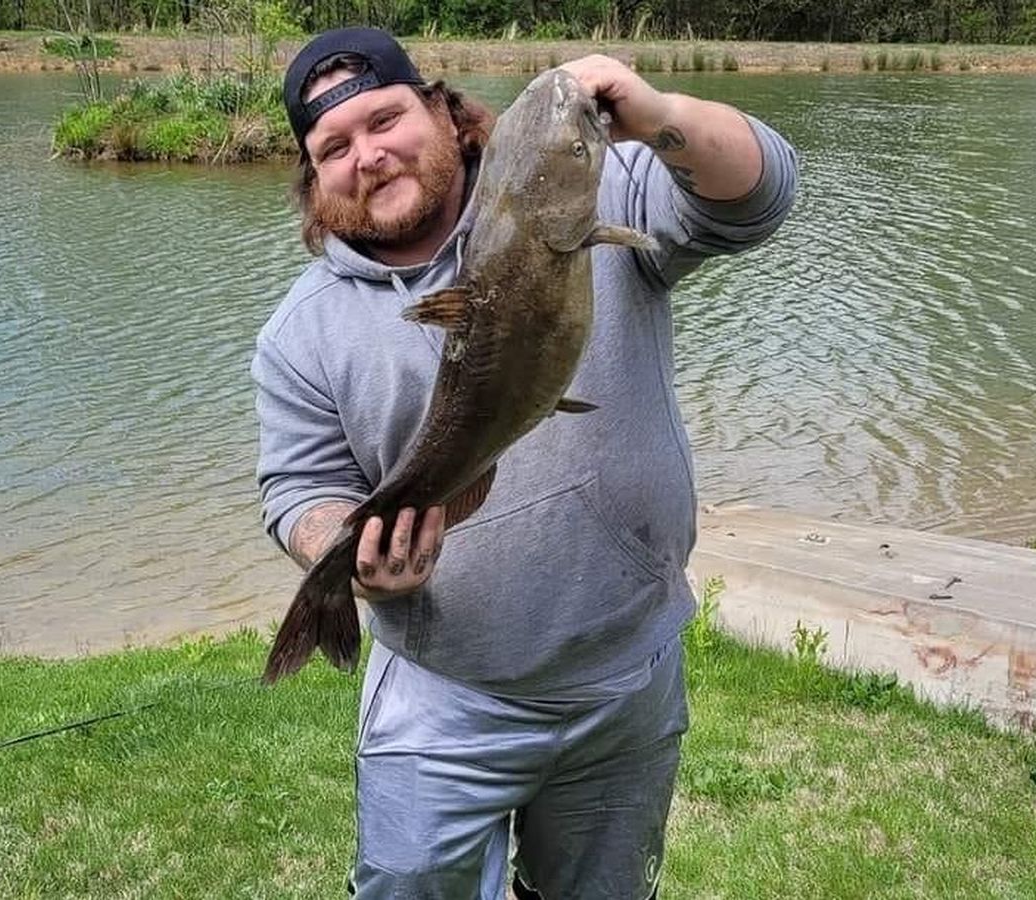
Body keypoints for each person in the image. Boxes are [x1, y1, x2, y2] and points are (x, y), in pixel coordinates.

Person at [252, 26, 797, 900]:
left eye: (384, 120)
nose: (369, 156)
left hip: (627, 673)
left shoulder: (594, 195)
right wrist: (339, 551)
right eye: (334, 148)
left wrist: (659, 112)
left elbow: (759, 199)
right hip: (442, 689)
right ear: (314, 180)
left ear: (443, 111)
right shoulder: (299, 332)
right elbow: (299, 487)